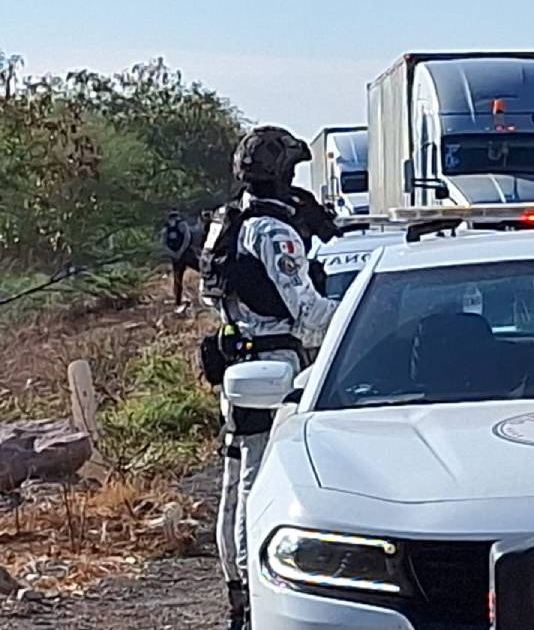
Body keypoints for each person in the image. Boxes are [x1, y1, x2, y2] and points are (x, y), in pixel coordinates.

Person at [199, 125, 338, 630]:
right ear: (280, 175)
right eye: (293, 173)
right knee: (260, 483)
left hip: (238, 358)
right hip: (274, 366)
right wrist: (365, 316)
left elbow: (210, 293)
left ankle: (237, 590)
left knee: (236, 479)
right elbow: (307, 314)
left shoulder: (226, 221)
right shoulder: (273, 231)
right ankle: (255, 598)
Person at [161, 210, 206, 306]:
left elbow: (187, 239)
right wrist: (175, 253)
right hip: (179, 256)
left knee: (202, 270)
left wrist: (177, 253)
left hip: (184, 254)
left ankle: (208, 290)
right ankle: (178, 301)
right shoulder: (168, 228)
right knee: (177, 279)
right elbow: (164, 243)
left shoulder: (180, 225)